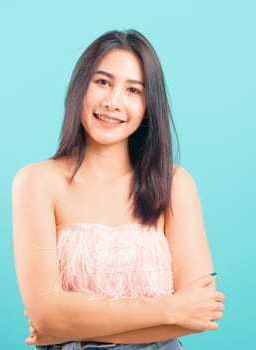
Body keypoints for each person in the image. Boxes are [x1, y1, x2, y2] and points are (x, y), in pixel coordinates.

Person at [12, 29, 225, 350]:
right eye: (102, 82)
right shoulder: (37, 181)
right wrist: (170, 308)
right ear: (79, 88)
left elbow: (199, 314)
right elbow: (45, 315)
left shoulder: (175, 184)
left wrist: (67, 329)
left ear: (148, 105)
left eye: (133, 90)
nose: (113, 102)